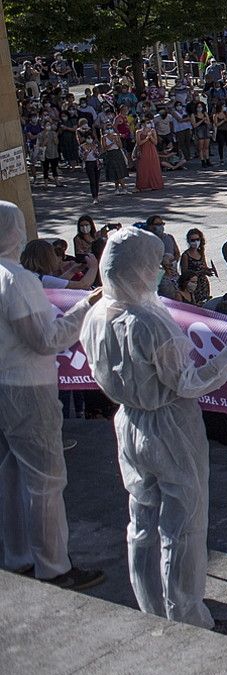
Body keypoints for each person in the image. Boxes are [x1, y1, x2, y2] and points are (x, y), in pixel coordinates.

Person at [80, 227, 227, 636]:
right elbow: (187, 383)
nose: (161, 272)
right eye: (155, 266)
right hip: (170, 426)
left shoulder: (96, 314)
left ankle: (152, 605)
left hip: (128, 421)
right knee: (183, 526)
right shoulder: (148, 322)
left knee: (141, 520)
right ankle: (188, 617)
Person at [0, 202, 104, 589]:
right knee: (45, 478)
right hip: (28, 387)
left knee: (10, 473)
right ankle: (54, 564)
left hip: (5, 384)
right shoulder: (17, 280)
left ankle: (18, 555)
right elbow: (46, 340)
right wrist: (84, 308)